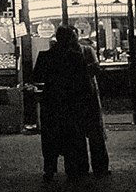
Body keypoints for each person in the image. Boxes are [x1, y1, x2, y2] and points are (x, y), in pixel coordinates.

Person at [32, 25, 94, 183]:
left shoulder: (45, 56)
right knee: (71, 137)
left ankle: (49, 169)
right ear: (70, 39)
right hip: (71, 103)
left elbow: (37, 76)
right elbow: (84, 81)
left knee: (50, 137)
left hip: (51, 102)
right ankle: (71, 169)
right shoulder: (75, 57)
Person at [72, 31, 110, 177]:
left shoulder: (68, 53)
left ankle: (82, 168)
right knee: (94, 133)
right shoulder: (87, 50)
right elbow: (96, 68)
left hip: (76, 96)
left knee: (79, 134)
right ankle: (100, 168)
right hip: (89, 93)